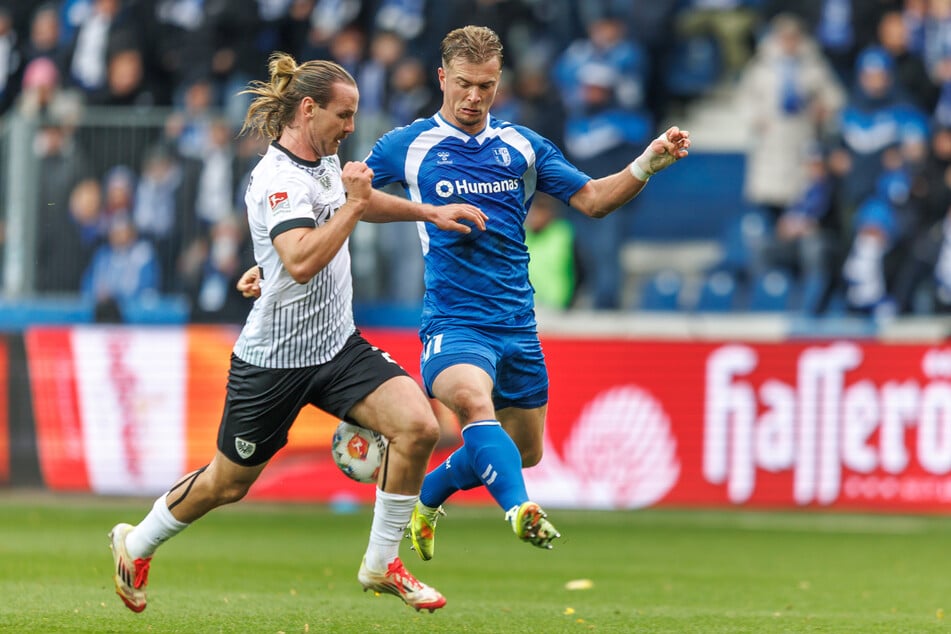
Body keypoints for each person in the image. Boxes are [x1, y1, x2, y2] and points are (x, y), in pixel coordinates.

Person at [108, 51, 486, 615]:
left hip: (336, 346)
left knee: (417, 426)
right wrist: (349, 210)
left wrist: (426, 212)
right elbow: (304, 257)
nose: (351, 128)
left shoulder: (323, 162)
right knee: (227, 483)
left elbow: (345, 206)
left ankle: (382, 563)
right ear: (308, 110)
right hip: (273, 361)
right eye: (344, 115)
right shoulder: (277, 179)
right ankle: (136, 543)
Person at [363, 26, 688, 559]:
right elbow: (353, 198)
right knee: (471, 400)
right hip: (453, 321)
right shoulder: (407, 145)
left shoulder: (522, 146)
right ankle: (519, 509)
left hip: (516, 323)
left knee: (524, 450)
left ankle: (429, 494)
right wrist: (423, 211)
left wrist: (646, 163)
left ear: (499, 83)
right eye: (464, 84)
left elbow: (592, 200)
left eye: (486, 86)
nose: (474, 97)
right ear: (442, 78)